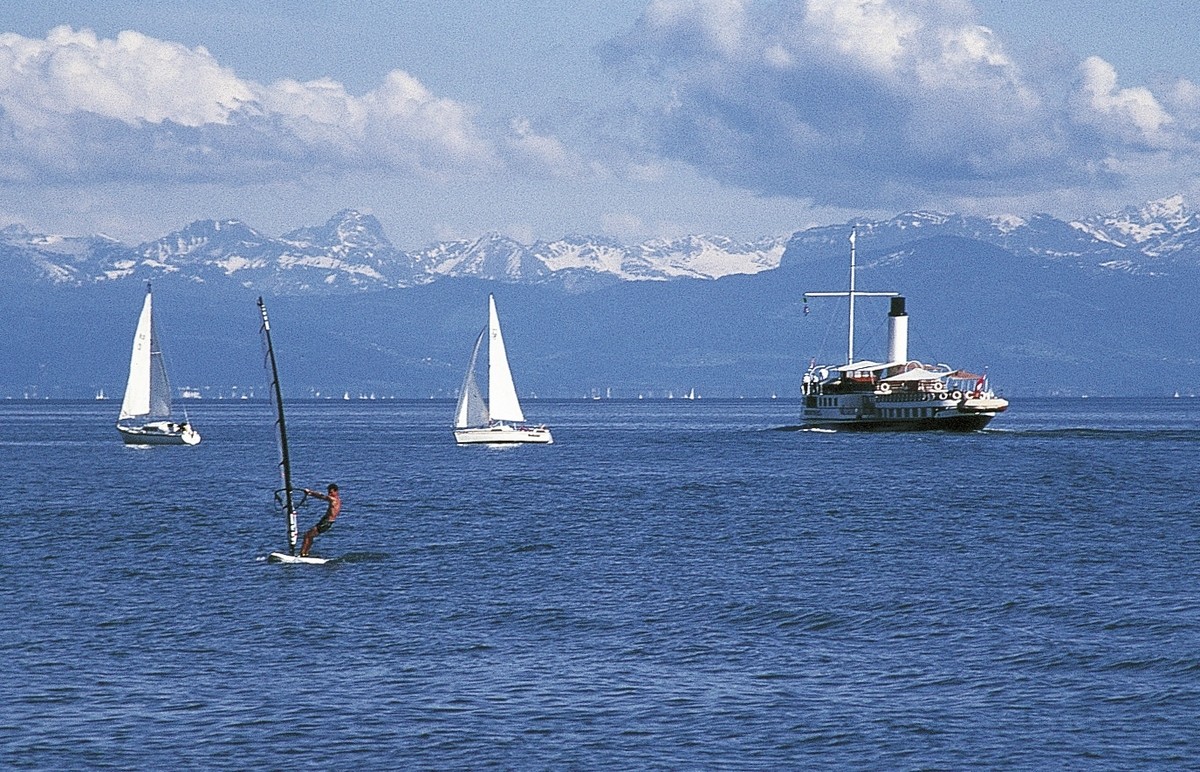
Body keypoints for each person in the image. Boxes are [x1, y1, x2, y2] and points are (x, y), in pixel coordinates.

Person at [299, 483, 341, 557]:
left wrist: (310, 492)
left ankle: (302, 554)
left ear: (336, 491)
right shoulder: (337, 500)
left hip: (326, 522)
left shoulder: (333, 499)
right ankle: (305, 553)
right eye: (329, 492)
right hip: (325, 521)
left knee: (307, 535)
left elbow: (321, 496)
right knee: (309, 536)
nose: (329, 494)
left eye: (331, 492)